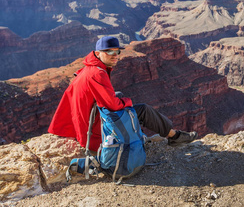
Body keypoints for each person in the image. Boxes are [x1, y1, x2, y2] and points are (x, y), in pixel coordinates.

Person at [48, 36, 197, 151]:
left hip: (85, 119)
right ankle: (174, 136)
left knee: (118, 94)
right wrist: (128, 102)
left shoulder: (88, 68)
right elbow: (113, 105)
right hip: (92, 128)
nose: (115, 55)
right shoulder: (97, 73)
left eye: (117, 52)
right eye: (110, 52)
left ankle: (139, 134)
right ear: (98, 54)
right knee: (143, 110)